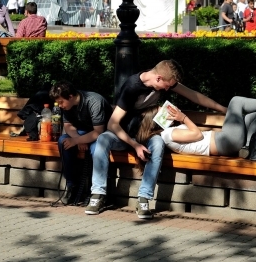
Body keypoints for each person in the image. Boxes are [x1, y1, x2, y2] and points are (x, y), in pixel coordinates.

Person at [85, 60, 227, 219]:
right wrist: (135, 144)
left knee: (158, 144)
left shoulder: (165, 80)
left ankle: (144, 198)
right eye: (167, 85)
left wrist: (223, 109)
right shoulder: (132, 87)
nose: (168, 89)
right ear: (158, 78)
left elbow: (193, 95)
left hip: (148, 134)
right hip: (126, 136)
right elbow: (112, 124)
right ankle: (98, 194)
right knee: (103, 139)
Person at [50, 81, 113, 204]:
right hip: (82, 132)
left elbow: (98, 131)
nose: (60, 106)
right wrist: (77, 139)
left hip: (103, 133)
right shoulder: (67, 105)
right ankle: (71, 186)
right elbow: (68, 126)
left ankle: (95, 191)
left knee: (96, 148)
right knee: (63, 141)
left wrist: (77, 140)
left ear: (71, 96)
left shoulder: (94, 101)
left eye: (61, 102)